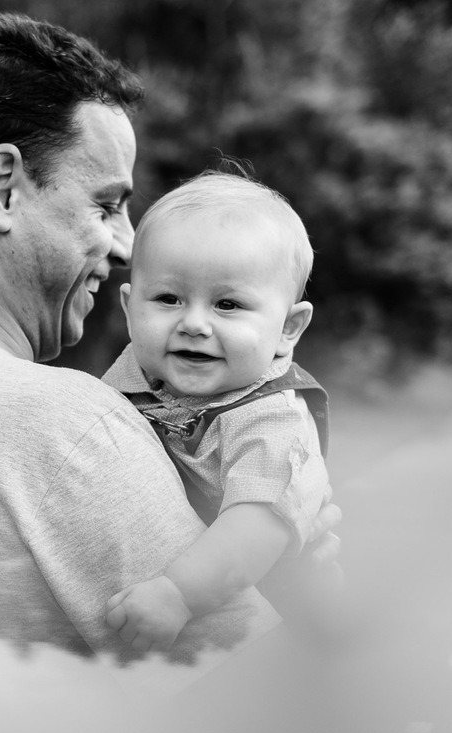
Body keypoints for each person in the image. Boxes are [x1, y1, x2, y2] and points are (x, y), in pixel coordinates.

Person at [0, 12, 341, 664]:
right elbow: (265, 717)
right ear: (3, 187)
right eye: (107, 204)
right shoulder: (66, 427)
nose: (127, 244)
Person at [103, 171, 337, 651]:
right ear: (129, 309)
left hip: (284, 618)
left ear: (288, 328)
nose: (193, 323)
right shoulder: (131, 375)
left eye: (227, 305)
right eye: (168, 299)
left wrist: (177, 596)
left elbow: (256, 526)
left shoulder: (273, 419)